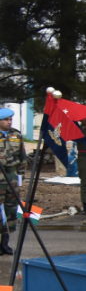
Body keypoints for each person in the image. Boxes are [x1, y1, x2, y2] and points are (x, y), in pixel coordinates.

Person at [0, 107, 28, 255]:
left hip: (12, 176)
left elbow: (22, 157)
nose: (9, 122)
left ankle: (5, 242)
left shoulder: (16, 135)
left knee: (11, 209)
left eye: (10, 119)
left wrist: (20, 176)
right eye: (6, 119)